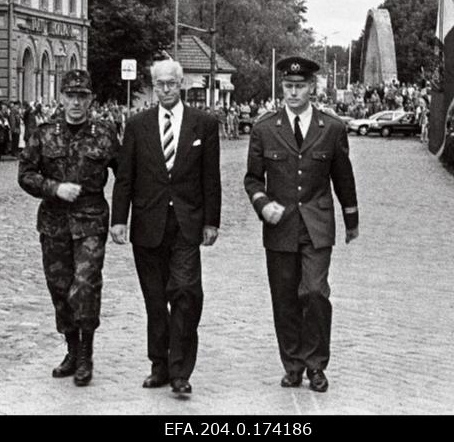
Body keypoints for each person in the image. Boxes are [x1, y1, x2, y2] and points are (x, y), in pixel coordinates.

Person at [244, 56, 359, 393]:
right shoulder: (265, 129)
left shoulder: (331, 128)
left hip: (317, 225)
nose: (293, 93)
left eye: (300, 86)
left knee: (314, 292)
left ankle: (316, 365)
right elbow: (252, 180)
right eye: (288, 86)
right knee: (284, 299)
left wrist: (351, 219)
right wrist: (263, 205)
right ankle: (292, 365)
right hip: (279, 227)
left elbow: (343, 178)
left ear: (312, 88)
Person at [110, 59, 221, 395]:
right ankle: (159, 364)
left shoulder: (204, 124)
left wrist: (211, 221)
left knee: (186, 293)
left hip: (187, 223)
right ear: (153, 85)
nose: (166, 89)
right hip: (148, 223)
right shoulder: (137, 125)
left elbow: (210, 178)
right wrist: (119, 219)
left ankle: (180, 371)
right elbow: (125, 177)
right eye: (160, 84)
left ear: (181, 83)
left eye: (171, 83)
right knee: (155, 299)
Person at [18, 69, 119, 387]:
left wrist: (126, 216)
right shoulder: (44, 132)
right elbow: (25, 173)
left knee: (85, 284)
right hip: (54, 223)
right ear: (61, 98)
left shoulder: (105, 133)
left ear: (91, 99)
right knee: (60, 288)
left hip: (91, 220)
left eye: (82, 96)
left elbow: (126, 174)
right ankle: (71, 350)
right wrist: (53, 187)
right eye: (71, 96)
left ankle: (87, 353)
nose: (76, 102)